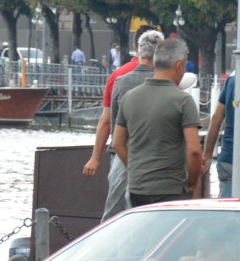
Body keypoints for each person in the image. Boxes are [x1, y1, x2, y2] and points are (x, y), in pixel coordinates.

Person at [113, 37, 202, 207]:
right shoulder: (183, 100)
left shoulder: (130, 97)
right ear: (179, 66)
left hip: (137, 187)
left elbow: (117, 143)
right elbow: (194, 151)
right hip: (171, 188)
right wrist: (192, 183)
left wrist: (135, 170)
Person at [100, 29, 164, 220]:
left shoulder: (120, 81)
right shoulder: (165, 83)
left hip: (122, 154)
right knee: (151, 215)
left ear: (138, 51)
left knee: (114, 212)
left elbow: (111, 122)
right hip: (154, 157)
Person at [82, 25, 157, 188]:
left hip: (122, 153)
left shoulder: (118, 76)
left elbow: (106, 120)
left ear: (134, 47)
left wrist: (95, 158)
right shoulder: (166, 76)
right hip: (155, 157)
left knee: (116, 205)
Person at [202, 73, 236, 198]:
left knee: (227, 209)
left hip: (228, 157)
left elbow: (216, 118)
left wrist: (207, 154)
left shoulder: (232, 81)